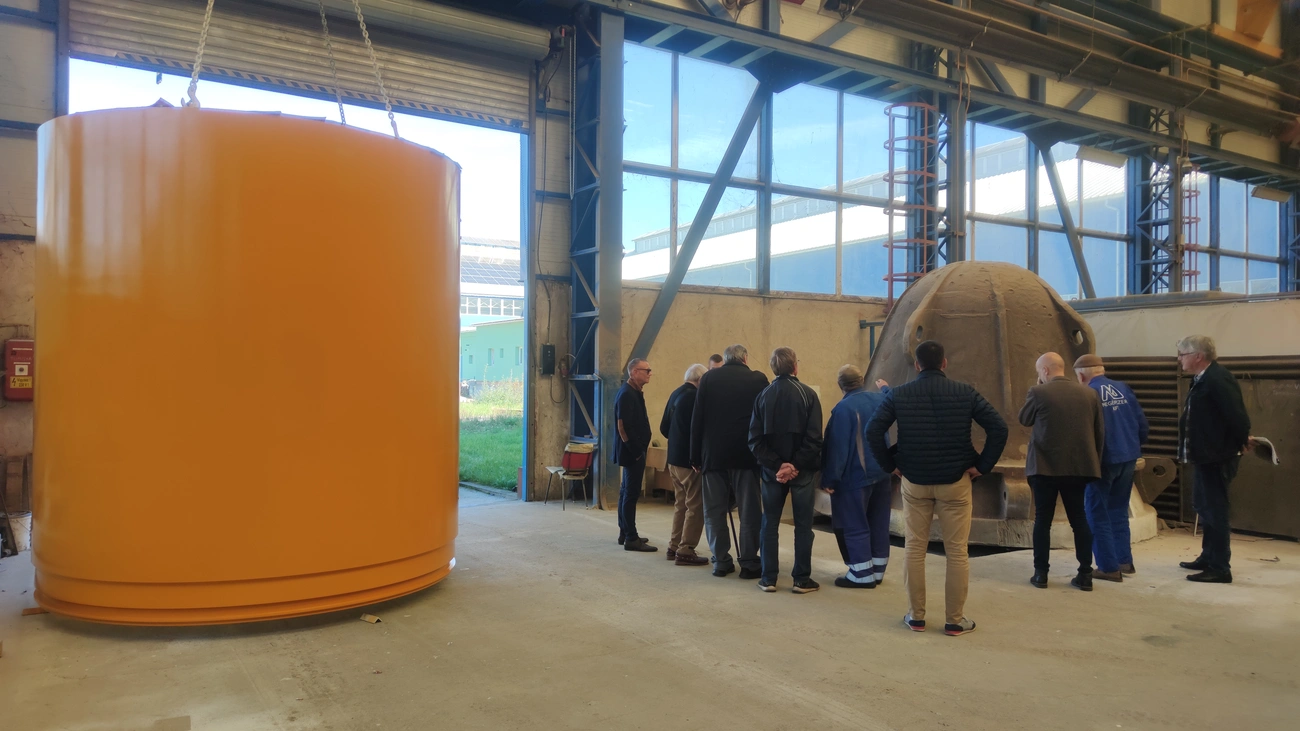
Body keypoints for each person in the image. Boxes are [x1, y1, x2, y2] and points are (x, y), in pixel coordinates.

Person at [866, 341, 1007, 637]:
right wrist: (982, 466)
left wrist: (890, 465)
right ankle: (954, 620)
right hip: (955, 482)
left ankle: (916, 617)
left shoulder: (899, 394)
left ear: (917, 365)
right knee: (956, 551)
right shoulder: (965, 392)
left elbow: (873, 430)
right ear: (944, 363)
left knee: (915, 547)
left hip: (914, 481)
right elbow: (998, 427)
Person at [1019, 352, 1104, 591]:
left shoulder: (1038, 392)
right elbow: (1099, 432)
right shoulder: (1089, 393)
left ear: (1045, 371)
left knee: (1042, 521)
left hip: (1044, 468)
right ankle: (1085, 574)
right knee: (1079, 519)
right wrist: (1094, 463)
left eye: (1039, 371)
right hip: (1078, 468)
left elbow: (1024, 419)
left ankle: (1041, 574)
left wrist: (1037, 387)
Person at [1176, 335, 1252, 584]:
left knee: (1216, 510)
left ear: (1198, 356)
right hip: (1205, 456)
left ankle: (1220, 568)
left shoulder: (1218, 379)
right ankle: (1208, 557)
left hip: (1217, 456)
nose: (1179, 359)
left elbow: (1237, 416)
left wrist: (1240, 441)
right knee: (1205, 507)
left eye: (1182, 355)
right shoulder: (1202, 378)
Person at [690, 344, 770, 578]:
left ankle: (721, 561)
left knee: (714, 511)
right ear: (745, 359)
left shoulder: (709, 379)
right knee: (749, 510)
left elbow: (697, 418)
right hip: (747, 455)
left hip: (713, 455)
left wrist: (694, 455)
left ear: (725, 360)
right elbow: (766, 417)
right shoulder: (758, 379)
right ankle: (749, 562)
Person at [749, 347, 824, 594]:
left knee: (769, 523)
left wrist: (778, 465)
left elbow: (754, 440)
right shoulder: (808, 394)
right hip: (803, 471)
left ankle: (768, 578)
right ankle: (801, 579)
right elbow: (815, 438)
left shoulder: (763, 396)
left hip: (773, 473)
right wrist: (795, 465)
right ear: (795, 367)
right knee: (803, 526)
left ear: (774, 368)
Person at [1075, 354, 1149, 581]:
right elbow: (1142, 424)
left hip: (1103, 462)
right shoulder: (1123, 388)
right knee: (1118, 510)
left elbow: (1084, 432)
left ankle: (1108, 567)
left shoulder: (1087, 394)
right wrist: (1132, 448)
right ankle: (1124, 561)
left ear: (1081, 376)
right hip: (1128, 457)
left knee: (1097, 513)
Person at [821, 365, 892, 589]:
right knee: (879, 522)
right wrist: (886, 389)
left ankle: (861, 574)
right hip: (882, 473)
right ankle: (878, 570)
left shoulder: (843, 409)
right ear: (862, 380)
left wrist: (829, 479)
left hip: (855, 478)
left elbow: (838, 449)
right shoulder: (880, 400)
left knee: (854, 524)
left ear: (840, 385)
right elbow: (899, 404)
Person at [659, 364, 710, 566]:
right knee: (695, 506)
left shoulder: (676, 393)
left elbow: (664, 427)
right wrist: (696, 458)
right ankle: (686, 549)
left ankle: (674, 546)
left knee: (681, 504)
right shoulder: (695, 397)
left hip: (673, 460)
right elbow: (697, 432)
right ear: (701, 380)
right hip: (689, 463)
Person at [615, 358, 656, 553]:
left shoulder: (634, 392)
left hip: (634, 451)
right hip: (632, 452)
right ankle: (631, 538)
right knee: (630, 494)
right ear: (634, 372)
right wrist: (637, 451)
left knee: (626, 491)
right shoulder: (627, 394)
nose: (650, 373)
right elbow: (623, 426)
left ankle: (625, 532)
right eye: (646, 370)